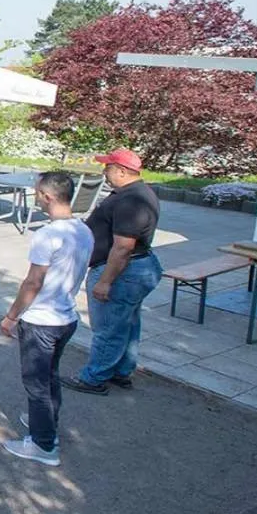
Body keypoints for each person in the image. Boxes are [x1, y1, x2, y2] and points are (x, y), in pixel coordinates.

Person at [0, 172, 93, 466]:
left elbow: (32, 282)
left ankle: (43, 444)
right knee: (49, 376)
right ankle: (45, 421)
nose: (35, 196)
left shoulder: (47, 235)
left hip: (42, 320)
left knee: (37, 383)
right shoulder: (84, 230)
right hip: (66, 316)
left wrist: (12, 316)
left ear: (48, 197)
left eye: (37, 192)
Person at [63, 148, 162, 396]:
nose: (104, 172)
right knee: (126, 322)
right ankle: (121, 370)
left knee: (107, 328)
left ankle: (95, 377)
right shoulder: (136, 193)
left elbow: (123, 247)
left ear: (121, 171)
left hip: (124, 272)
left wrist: (105, 281)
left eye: (107, 168)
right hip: (138, 268)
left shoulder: (131, 201)